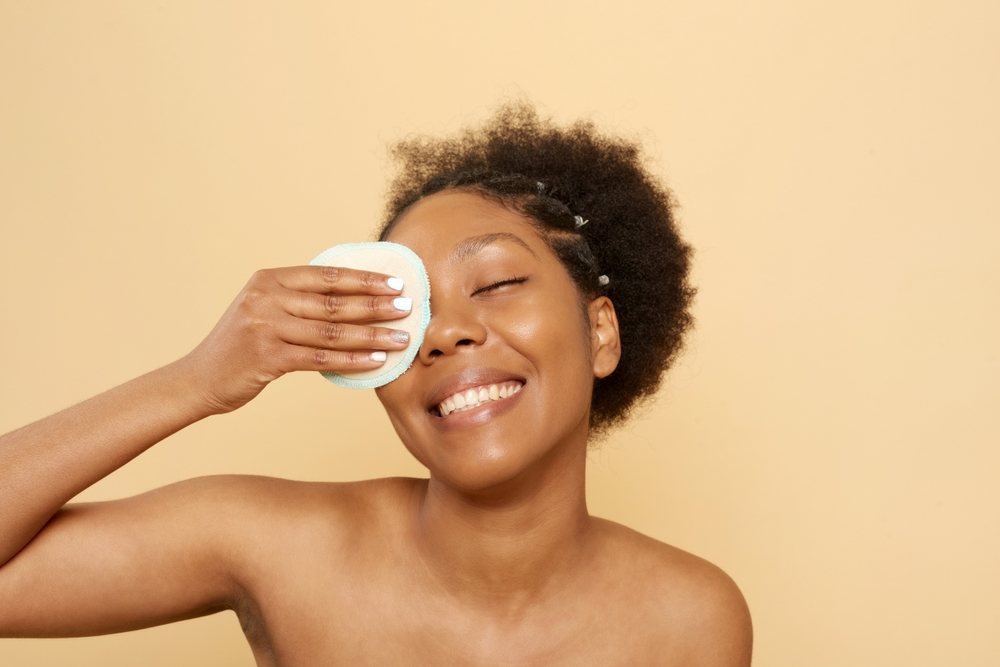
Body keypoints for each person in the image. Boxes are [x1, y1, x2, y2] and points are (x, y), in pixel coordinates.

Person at [0, 104, 752, 665]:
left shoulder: (692, 619)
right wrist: (199, 380)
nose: (443, 331)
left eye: (496, 282)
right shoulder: (278, 547)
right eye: (408, 309)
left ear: (601, 333)